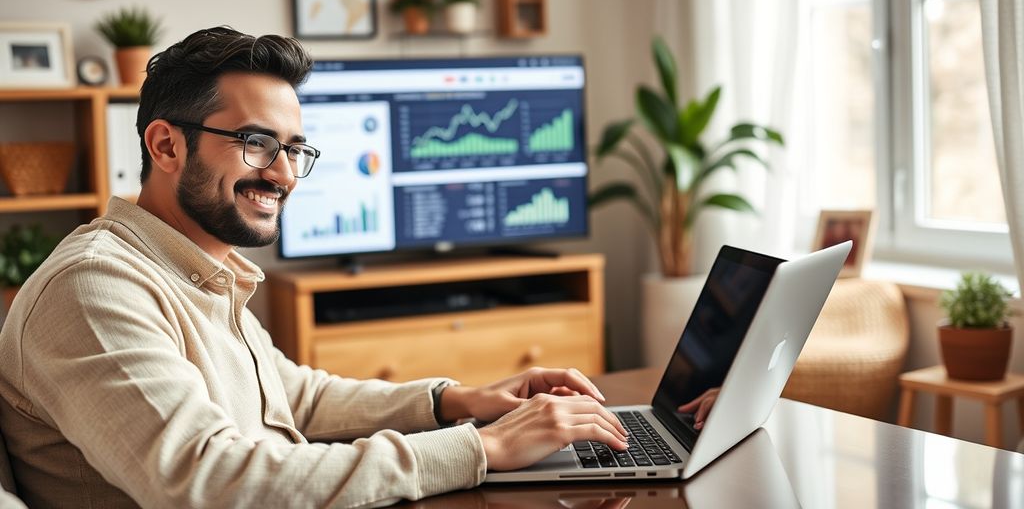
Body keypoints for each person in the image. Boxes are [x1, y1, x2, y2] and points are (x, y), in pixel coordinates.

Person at [0, 27, 628, 508]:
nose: (282, 174)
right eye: (255, 143)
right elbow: (203, 482)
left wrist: (454, 401)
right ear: (166, 145)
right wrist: (484, 447)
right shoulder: (95, 287)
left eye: (294, 149)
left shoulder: (197, 271)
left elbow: (293, 398)